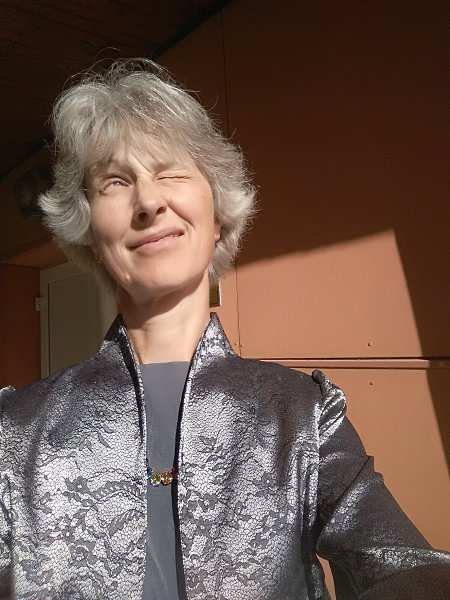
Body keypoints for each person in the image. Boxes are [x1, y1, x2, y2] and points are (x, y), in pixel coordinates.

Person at [0, 59, 449, 600]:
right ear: (92, 235)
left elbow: (403, 569)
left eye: (171, 172)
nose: (149, 202)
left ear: (217, 218)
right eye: (115, 182)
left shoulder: (302, 414)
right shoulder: (14, 431)